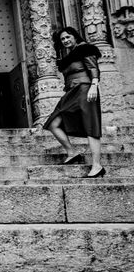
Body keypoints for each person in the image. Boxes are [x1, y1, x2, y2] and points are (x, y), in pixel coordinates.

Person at [43, 27, 104, 178]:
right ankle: (71, 151)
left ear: (75, 36)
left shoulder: (85, 49)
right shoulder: (71, 54)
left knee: (91, 124)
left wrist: (94, 86)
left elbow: (93, 67)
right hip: (71, 92)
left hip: (85, 89)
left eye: (68, 37)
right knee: (52, 123)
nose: (65, 41)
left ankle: (97, 165)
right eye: (62, 39)